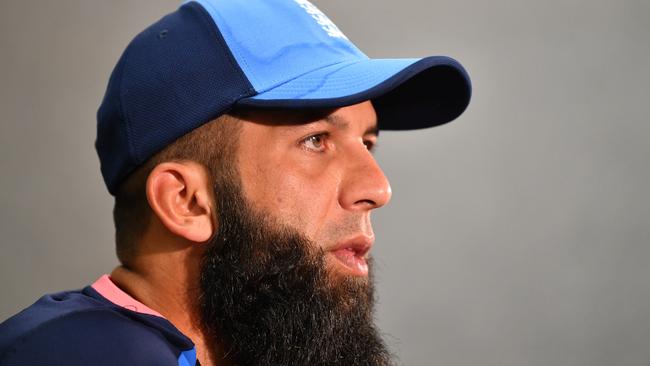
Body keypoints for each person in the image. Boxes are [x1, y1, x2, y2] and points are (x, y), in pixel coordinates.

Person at [0, 0, 471, 365]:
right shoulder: (79, 352)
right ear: (187, 202)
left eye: (367, 144)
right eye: (315, 140)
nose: (378, 188)